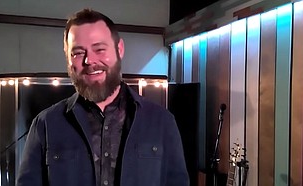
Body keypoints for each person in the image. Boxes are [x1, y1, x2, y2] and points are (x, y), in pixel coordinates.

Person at [16, 8, 189, 186]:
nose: (89, 61)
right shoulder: (45, 125)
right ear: (68, 58)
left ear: (119, 49)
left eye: (99, 49)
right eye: (77, 53)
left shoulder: (162, 123)